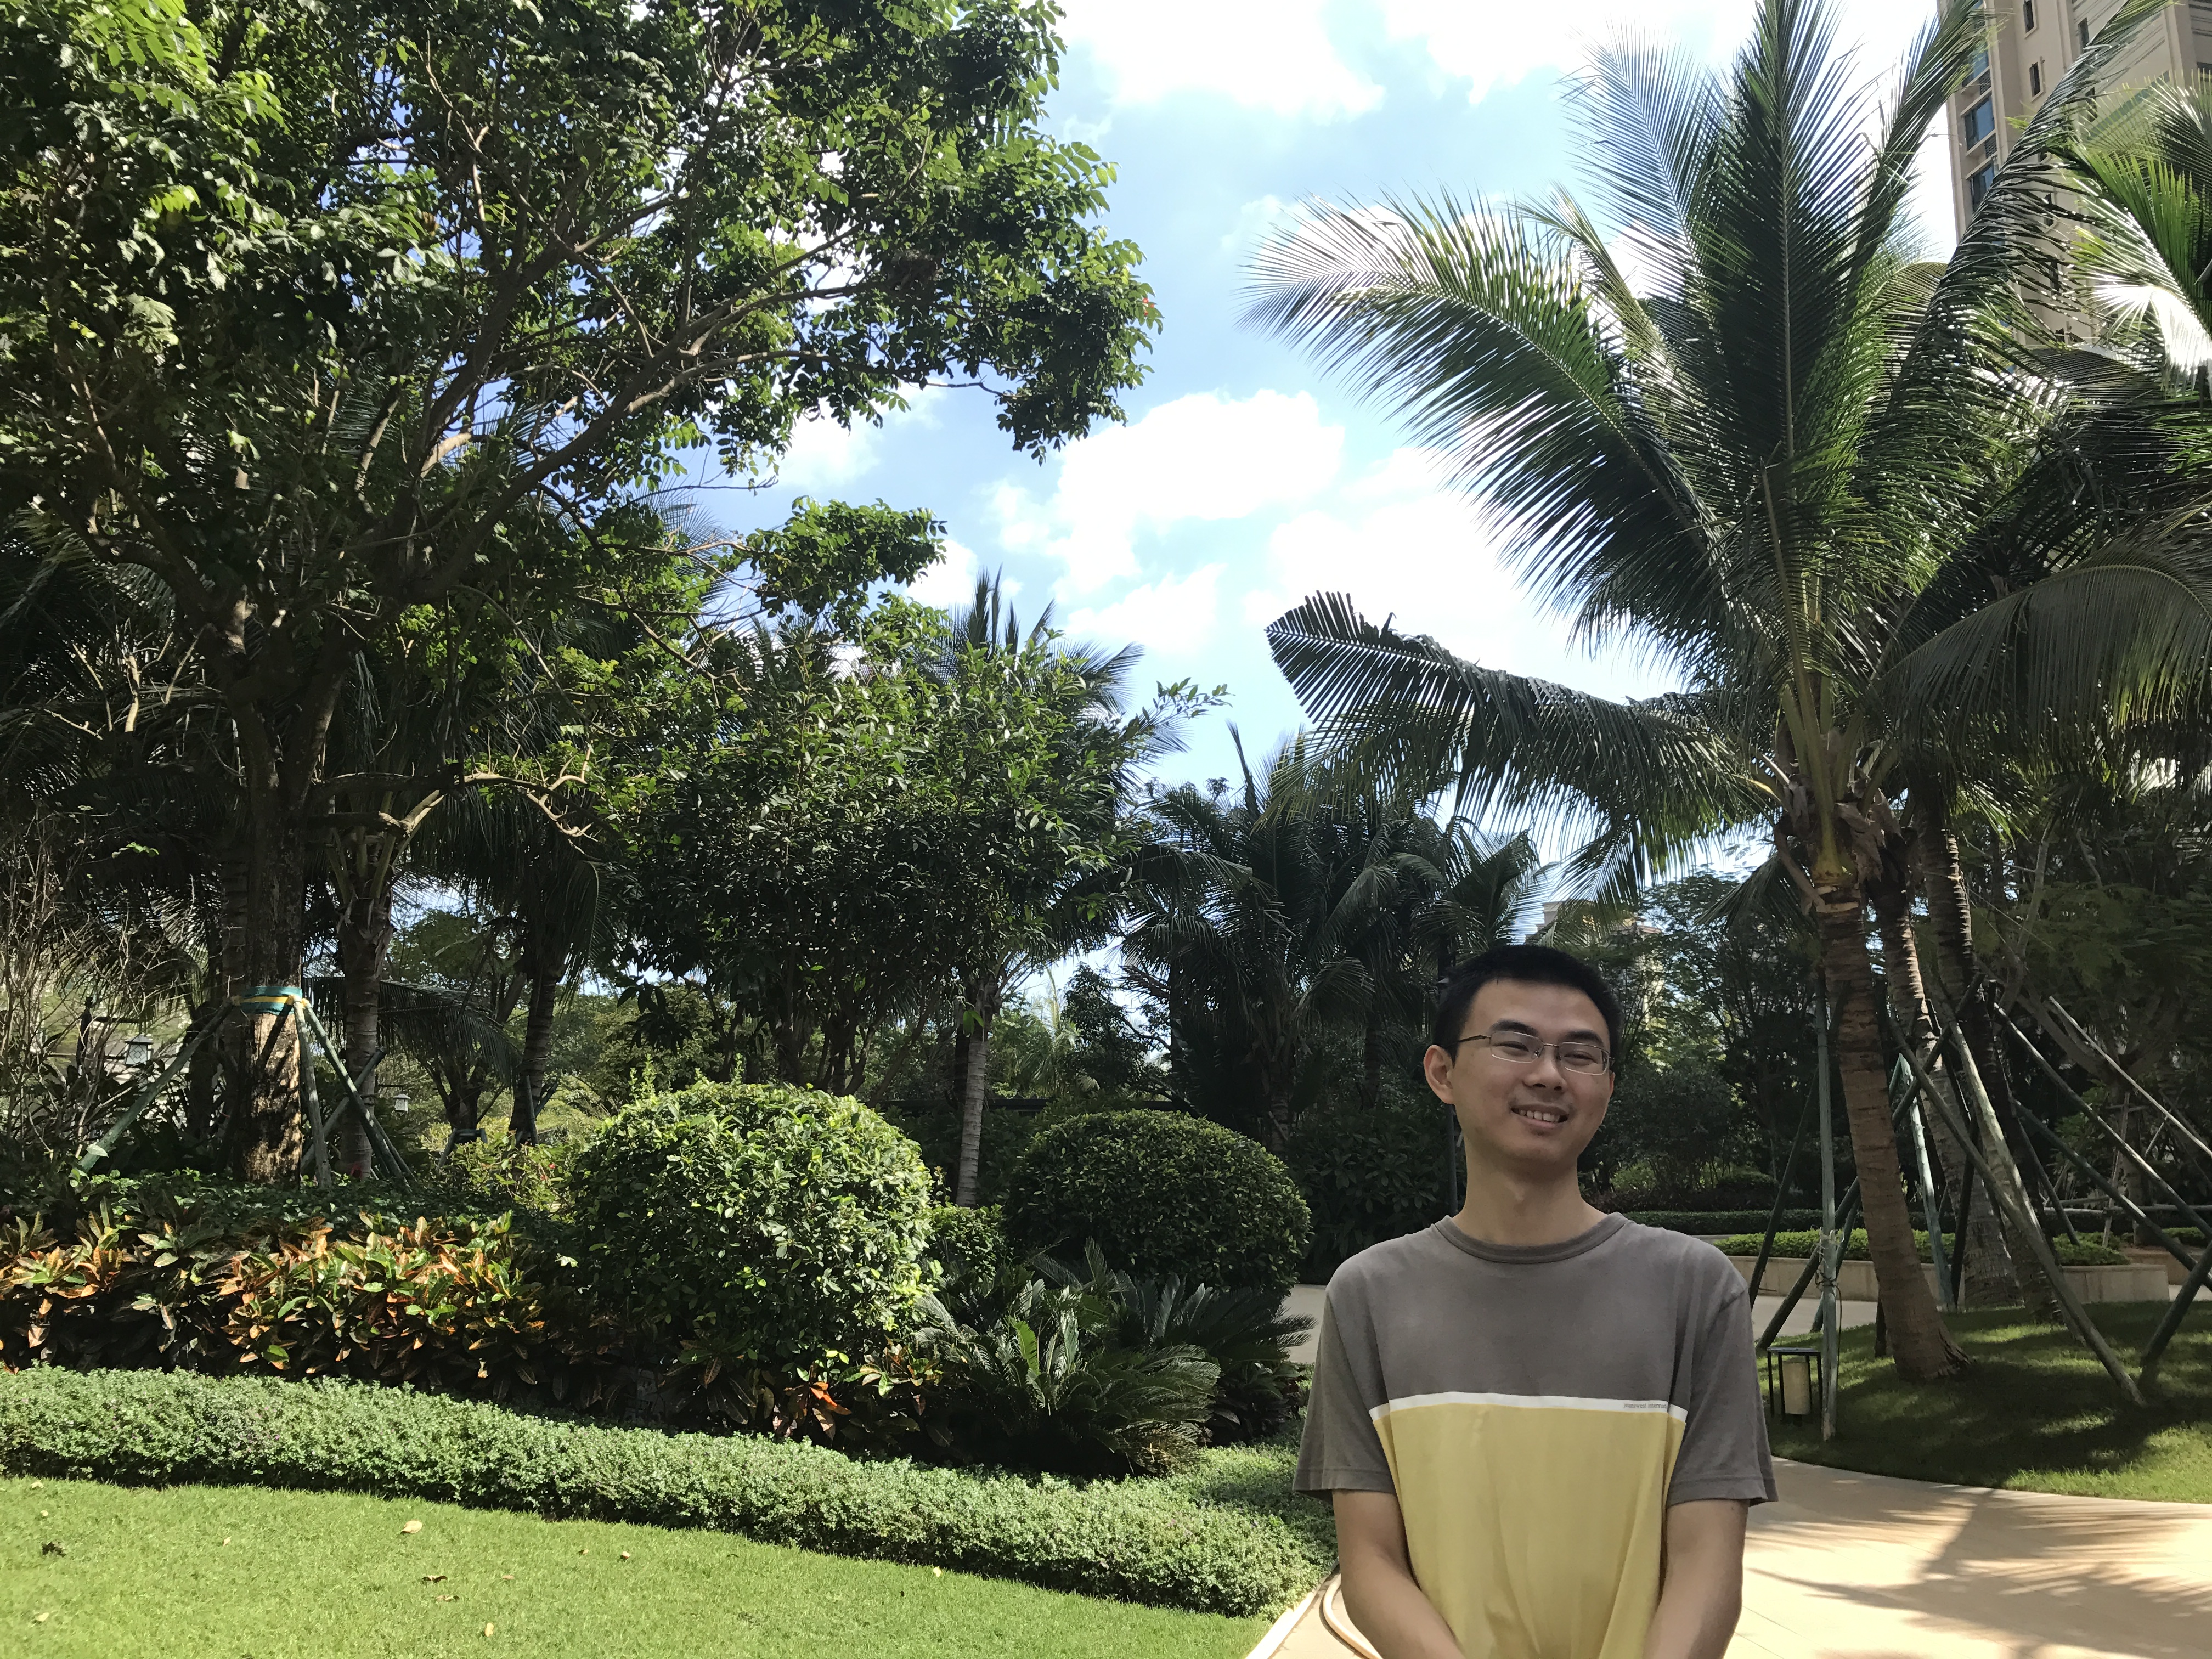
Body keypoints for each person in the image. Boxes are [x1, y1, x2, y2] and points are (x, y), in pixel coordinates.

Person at [1296, 944, 1775, 1659]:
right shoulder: (1369, 1294)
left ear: (1607, 1087)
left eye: (1580, 1056)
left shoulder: (1696, 1288)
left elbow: (1706, 1560)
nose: (1548, 1074)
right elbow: (1371, 1561)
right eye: (1514, 1044)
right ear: (1442, 1072)